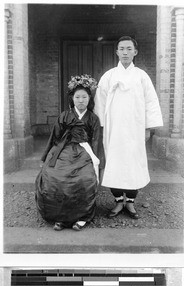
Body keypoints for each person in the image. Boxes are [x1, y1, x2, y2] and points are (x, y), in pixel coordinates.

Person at [94, 36, 163, 219]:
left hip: (135, 129)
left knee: (134, 164)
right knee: (114, 163)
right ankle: (117, 201)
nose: (125, 52)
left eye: (128, 49)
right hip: (113, 129)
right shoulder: (109, 76)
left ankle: (130, 202)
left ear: (135, 52)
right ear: (116, 52)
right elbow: (100, 102)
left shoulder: (142, 76)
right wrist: (101, 126)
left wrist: (148, 128)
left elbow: (150, 102)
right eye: (121, 49)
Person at [35, 74, 102, 231]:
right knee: (54, 177)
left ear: (89, 99)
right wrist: (45, 157)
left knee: (84, 179)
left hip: (84, 151)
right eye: (77, 97)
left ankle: (82, 217)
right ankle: (61, 218)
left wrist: (97, 160)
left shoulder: (93, 118)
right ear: (72, 98)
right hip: (63, 149)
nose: (80, 100)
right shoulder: (64, 116)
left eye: (84, 97)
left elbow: (96, 141)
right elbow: (54, 137)